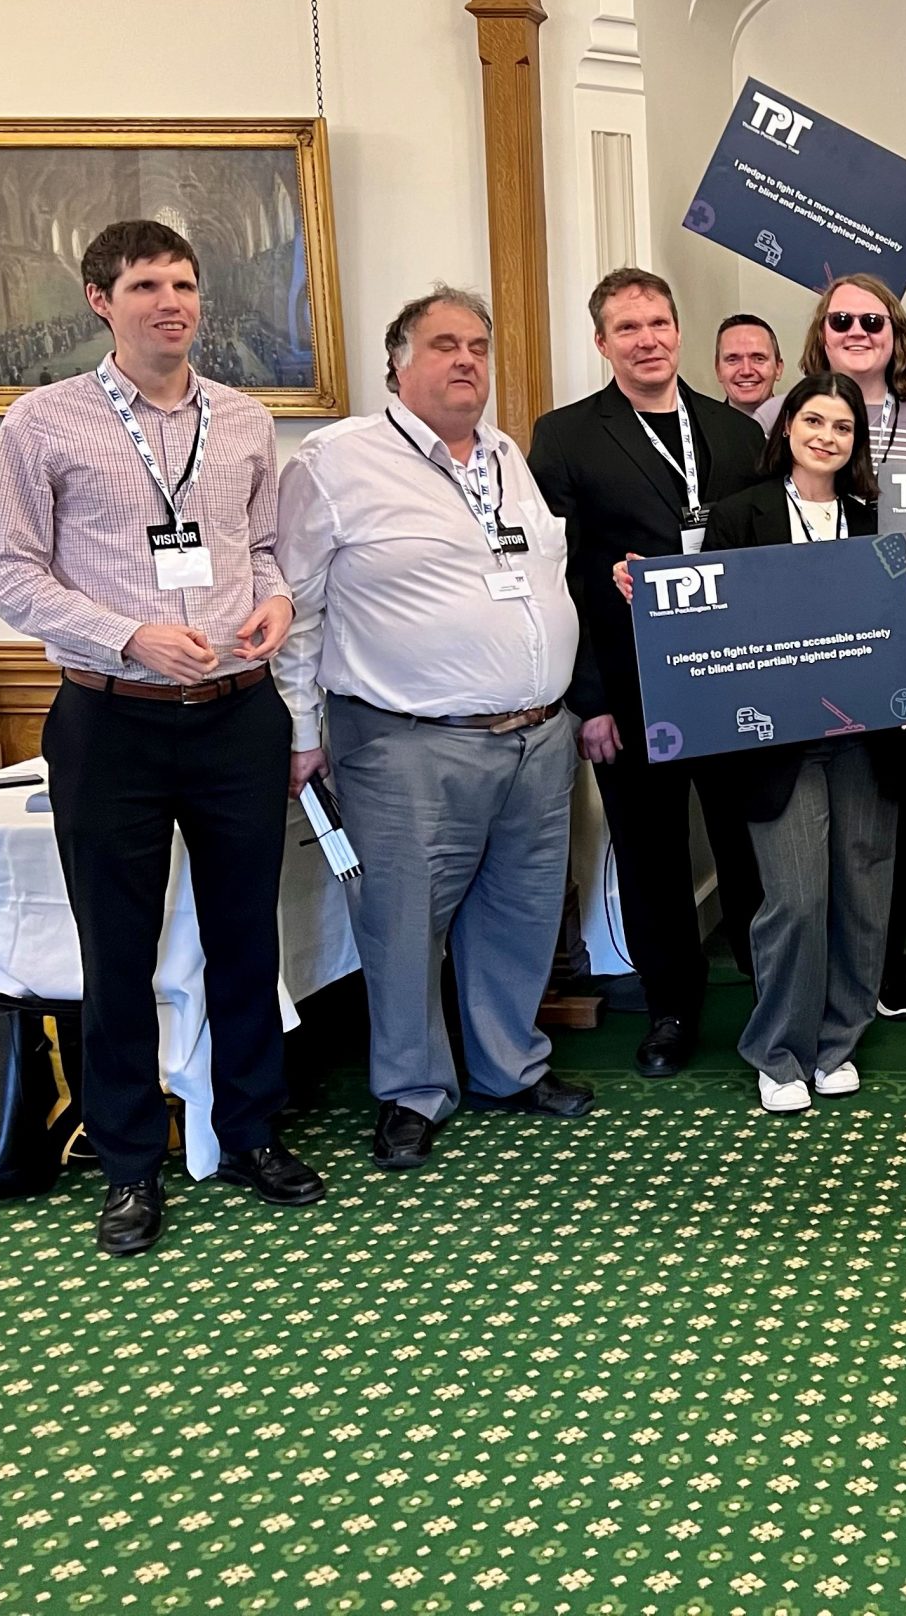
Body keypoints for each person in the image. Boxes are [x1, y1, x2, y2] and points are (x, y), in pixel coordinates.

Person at [0, 219, 319, 1256]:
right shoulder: (43, 422)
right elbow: (5, 569)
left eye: (185, 285)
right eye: (147, 287)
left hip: (238, 716)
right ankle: (128, 1163)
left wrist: (277, 603)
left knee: (246, 935)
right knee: (115, 950)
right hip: (110, 717)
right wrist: (126, 635)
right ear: (100, 300)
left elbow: (263, 546)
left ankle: (249, 1131)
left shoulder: (245, 420)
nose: (172, 304)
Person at [275, 287, 593, 1171]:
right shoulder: (336, 461)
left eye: (479, 346)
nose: (466, 361)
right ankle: (412, 1091)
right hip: (408, 740)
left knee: (521, 912)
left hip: (537, 735)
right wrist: (301, 731)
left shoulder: (505, 454)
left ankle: (509, 1067)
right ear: (398, 363)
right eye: (445, 344)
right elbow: (295, 610)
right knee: (403, 922)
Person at [528, 267, 768, 1079]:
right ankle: (671, 1009)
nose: (647, 340)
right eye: (627, 328)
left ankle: (772, 992)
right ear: (602, 343)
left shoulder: (735, 433)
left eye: (658, 323)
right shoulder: (565, 436)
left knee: (749, 845)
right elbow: (557, 577)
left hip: (734, 679)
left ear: (678, 330)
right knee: (651, 855)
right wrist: (589, 699)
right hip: (629, 689)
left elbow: (763, 551)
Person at [700, 373, 906, 1112]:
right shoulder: (740, 515)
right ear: (788, 426)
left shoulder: (876, 521)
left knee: (863, 892)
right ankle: (779, 1051)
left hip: (866, 737)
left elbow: (905, 618)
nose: (828, 437)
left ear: (858, 443)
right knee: (795, 899)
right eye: (815, 421)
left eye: (844, 427)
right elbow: (712, 627)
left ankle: (836, 1043)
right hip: (778, 741)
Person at [786, 275, 906, 1019]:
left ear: (896, 334)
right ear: (821, 332)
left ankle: (886, 956)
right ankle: (817, 957)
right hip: (805, 640)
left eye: (873, 320)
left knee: (895, 795)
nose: (858, 331)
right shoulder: (790, 413)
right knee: (810, 797)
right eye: (842, 320)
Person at [714, 312, 784, 418]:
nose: (746, 371)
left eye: (759, 359)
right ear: (718, 370)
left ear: (778, 368)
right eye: (733, 360)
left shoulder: (801, 424)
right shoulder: (700, 426)